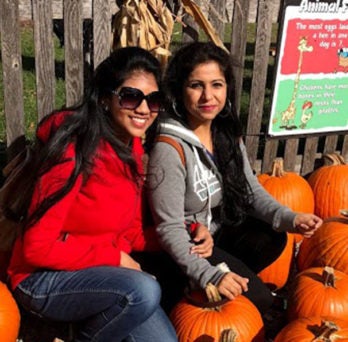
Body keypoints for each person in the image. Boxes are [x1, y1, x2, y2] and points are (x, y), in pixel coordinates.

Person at [4, 46, 177, 342]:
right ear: (106, 99)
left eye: (154, 100)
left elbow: (130, 234)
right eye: (131, 96)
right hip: (40, 279)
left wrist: (178, 235)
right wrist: (115, 259)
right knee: (143, 292)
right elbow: (36, 247)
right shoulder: (73, 153)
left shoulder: (130, 150)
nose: (144, 109)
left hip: (99, 277)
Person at [145, 41, 323, 315]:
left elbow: (251, 192)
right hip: (185, 247)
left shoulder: (224, 133)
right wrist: (209, 274)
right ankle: (187, 290)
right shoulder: (169, 149)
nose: (208, 96)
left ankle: (221, 283)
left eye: (216, 84)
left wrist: (291, 218)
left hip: (214, 234)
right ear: (180, 90)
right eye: (196, 85)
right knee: (262, 302)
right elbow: (169, 229)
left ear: (227, 88)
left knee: (271, 236)